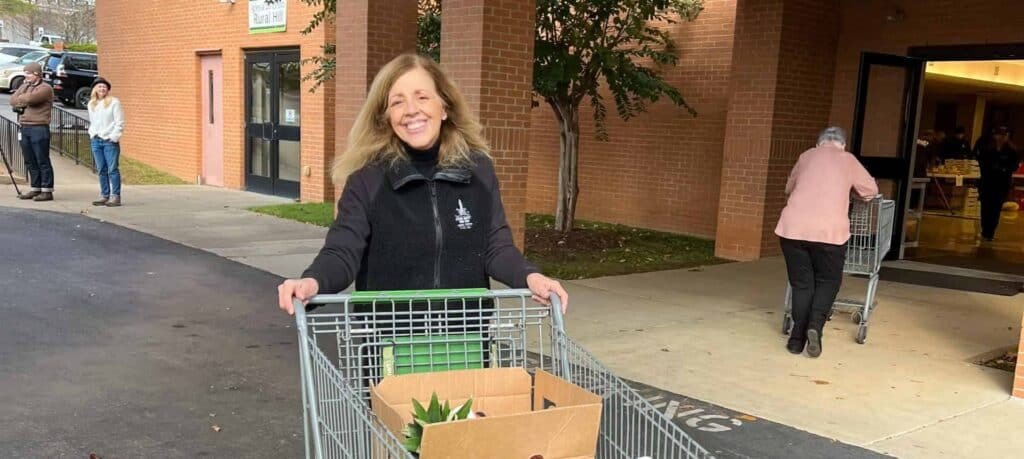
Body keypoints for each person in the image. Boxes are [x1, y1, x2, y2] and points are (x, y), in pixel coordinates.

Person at [277, 53, 568, 318]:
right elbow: (342, 251)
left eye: (422, 97)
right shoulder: (368, 180)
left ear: (444, 107)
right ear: (387, 117)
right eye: (397, 101)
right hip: (389, 343)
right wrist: (310, 282)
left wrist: (532, 277)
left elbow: (496, 247)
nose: (411, 110)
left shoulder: (478, 171)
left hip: (464, 339)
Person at [775, 127, 878, 358]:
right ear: (842, 144)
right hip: (829, 233)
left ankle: (795, 339)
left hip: (792, 230)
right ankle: (815, 327)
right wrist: (849, 192)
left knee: (802, 284)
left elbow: (788, 188)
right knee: (827, 281)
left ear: (819, 143)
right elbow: (871, 190)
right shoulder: (847, 159)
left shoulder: (806, 156)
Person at [9, 61, 54, 201]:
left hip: (39, 128)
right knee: (29, 160)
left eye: (28, 73)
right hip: (24, 127)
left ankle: (47, 190)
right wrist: (22, 93)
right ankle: (36, 188)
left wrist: (21, 99)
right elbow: (12, 100)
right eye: (25, 73)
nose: (25, 76)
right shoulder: (25, 86)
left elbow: (32, 99)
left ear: (36, 74)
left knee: (42, 159)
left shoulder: (45, 88)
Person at [975, 126, 1020, 241]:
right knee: (985, 208)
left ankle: (990, 232)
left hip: (1001, 183)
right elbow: (981, 161)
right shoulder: (988, 148)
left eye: (1004, 135)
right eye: (999, 135)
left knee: (995, 209)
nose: (1001, 137)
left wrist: (1003, 169)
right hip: (987, 182)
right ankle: (984, 229)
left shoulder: (1011, 150)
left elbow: (1014, 166)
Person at [87, 77, 126, 207]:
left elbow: (119, 122)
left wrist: (114, 136)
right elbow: (93, 122)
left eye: (104, 87)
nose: (102, 89)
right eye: (99, 87)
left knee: (112, 169)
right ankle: (104, 195)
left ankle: (115, 196)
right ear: (95, 89)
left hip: (109, 140)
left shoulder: (114, 102)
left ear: (107, 89)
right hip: (96, 140)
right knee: (101, 169)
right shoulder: (91, 104)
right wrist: (92, 134)